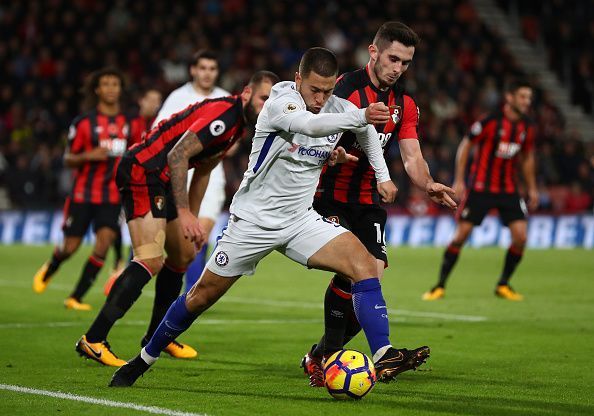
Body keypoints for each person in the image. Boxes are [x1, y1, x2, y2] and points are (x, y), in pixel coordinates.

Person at [109, 47, 456, 388]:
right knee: (200, 297)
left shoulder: (338, 108)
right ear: (298, 79)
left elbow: (363, 134)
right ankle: (143, 359)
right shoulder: (280, 103)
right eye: (314, 89)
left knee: (364, 264)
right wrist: (362, 115)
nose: (320, 98)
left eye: (328, 90)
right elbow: (311, 124)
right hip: (253, 222)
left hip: (300, 220)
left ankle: (383, 354)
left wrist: (381, 174)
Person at [75, 70, 279, 367]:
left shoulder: (239, 126)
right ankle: (93, 339)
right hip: (143, 171)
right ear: (247, 93)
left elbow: (205, 170)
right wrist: (183, 212)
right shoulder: (224, 114)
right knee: (149, 259)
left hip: (163, 179)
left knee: (183, 253)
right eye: (264, 98)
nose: (267, 106)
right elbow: (178, 155)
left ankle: (157, 337)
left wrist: (192, 219)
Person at [300, 22, 458, 387]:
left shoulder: (405, 104)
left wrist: (427, 183)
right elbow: (309, 138)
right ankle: (356, 355)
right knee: (354, 267)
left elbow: (412, 155)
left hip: (369, 199)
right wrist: (332, 155)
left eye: (405, 62)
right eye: (393, 59)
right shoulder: (343, 91)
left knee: (372, 273)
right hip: (328, 196)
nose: (398, 68)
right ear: (373, 52)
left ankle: (323, 356)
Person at [32, 68, 144, 310]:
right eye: (106, 84)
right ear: (97, 89)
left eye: (115, 84)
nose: (111, 88)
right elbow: (68, 159)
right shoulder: (83, 123)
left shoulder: (132, 122)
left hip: (113, 196)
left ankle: (75, 297)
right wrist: (88, 155)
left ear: (120, 89)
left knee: (103, 244)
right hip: (83, 194)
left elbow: (138, 152)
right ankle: (53, 264)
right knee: (70, 247)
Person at [422, 80, 537, 301]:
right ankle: (439, 285)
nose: (527, 102)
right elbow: (466, 145)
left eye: (529, 98)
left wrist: (531, 187)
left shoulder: (527, 126)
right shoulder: (490, 121)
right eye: (523, 97)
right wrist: (459, 179)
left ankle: (503, 284)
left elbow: (528, 157)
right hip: (480, 188)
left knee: (521, 237)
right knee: (460, 237)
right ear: (509, 97)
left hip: (508, 190)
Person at [154, 50, 231, 293]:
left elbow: (236, 136)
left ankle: (191, 293)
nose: (207, 73)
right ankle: (177, 288)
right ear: (193, 70)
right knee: (179, 242)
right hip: (181, 172)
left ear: (217, 72)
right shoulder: (178, 97)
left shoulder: (225, 98)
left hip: (212, 172)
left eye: (212, 69)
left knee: (200, 235)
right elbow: (159, 131)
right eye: (203, 68)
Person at [109, 88, 163, 282]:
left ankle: (133, 263)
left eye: (158, 100)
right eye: (151, 99)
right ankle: (118, 261)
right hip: (125, 180)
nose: (155, 104)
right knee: (116, 222)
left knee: (142, 225)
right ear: (142, 100)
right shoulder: (129, 123)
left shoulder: (159, 124)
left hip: (148, 183)